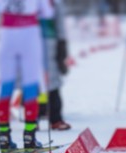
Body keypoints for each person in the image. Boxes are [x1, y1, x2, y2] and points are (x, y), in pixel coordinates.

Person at [0, 0, 55, 152]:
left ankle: (3, 136)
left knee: (6, 86)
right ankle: (29, 136)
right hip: (29, 34)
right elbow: (48, 13)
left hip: (7, 35)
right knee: (30, 85)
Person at [39, 0, 71, 131]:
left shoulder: (55, 3)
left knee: (51, 79)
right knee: (31, 79)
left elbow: (60, 25)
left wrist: (62, 46)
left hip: (49, 40)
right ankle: (35, 114)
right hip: (29, 38)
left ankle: (55, 118)